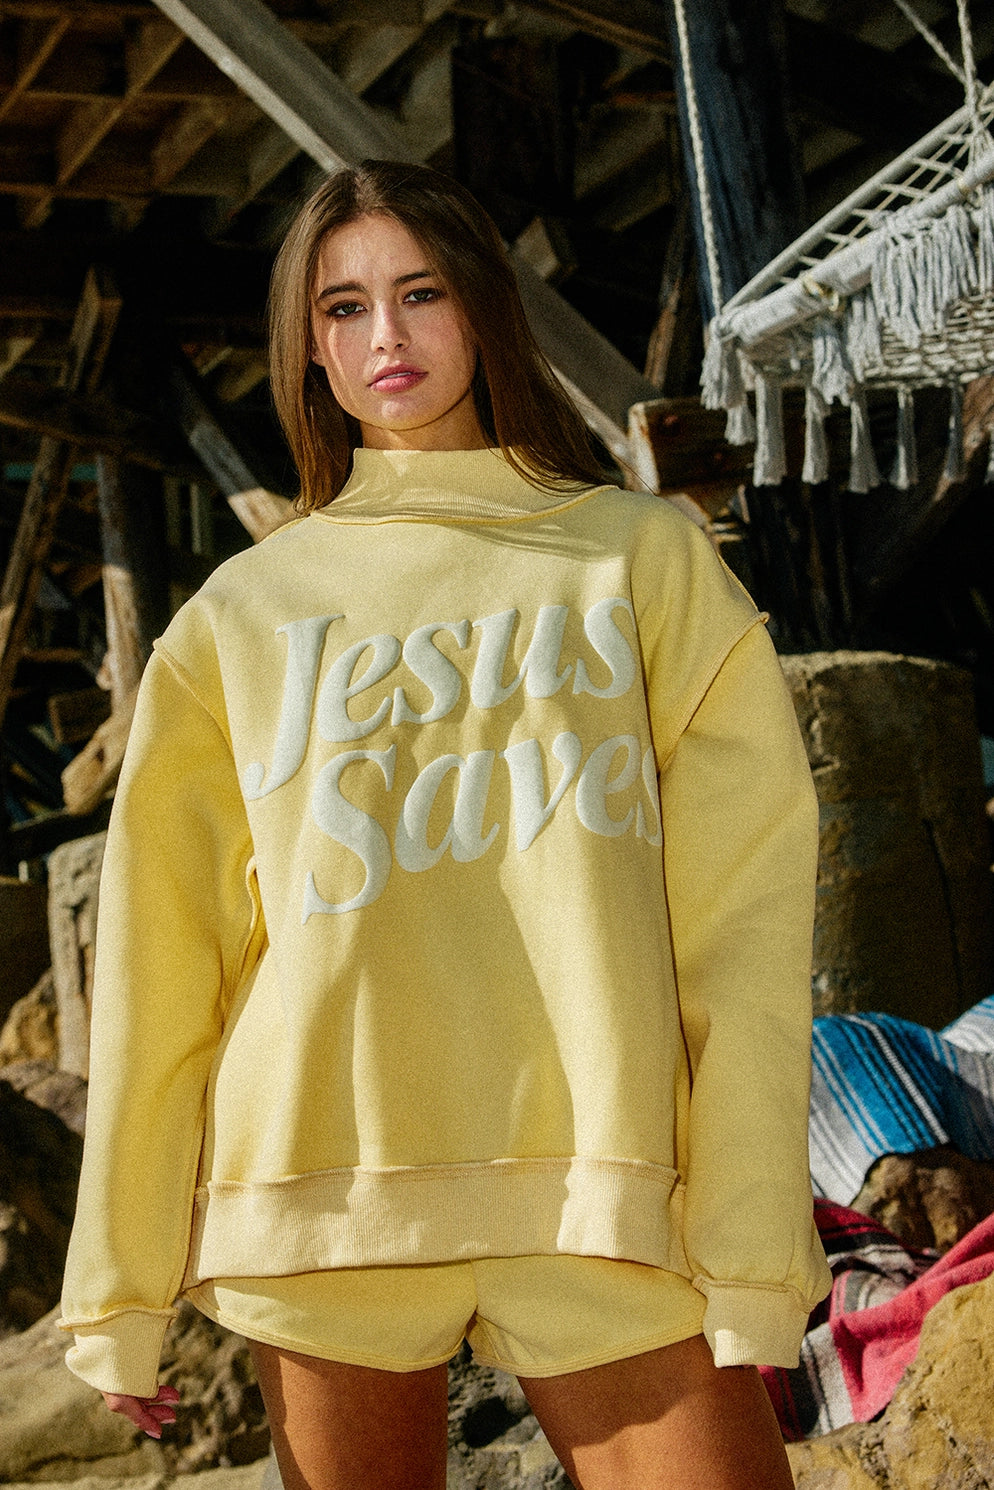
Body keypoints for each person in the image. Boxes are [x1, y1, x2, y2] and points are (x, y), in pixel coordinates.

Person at [60, 159, 831, 1490]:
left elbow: (744, 929)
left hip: (601, 1191)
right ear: (308, 348)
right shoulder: (238, 619)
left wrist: (753, 1247)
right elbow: (163, 964)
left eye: (419, 293)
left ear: (481, 305)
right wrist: (118, 1289)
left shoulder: (639, 562)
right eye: (343, 306)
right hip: (318, 1202)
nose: (386, 336)